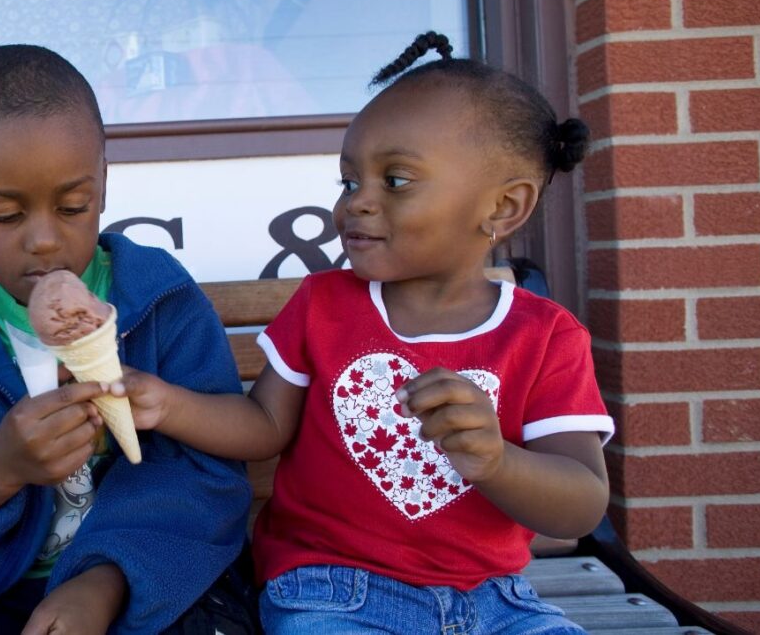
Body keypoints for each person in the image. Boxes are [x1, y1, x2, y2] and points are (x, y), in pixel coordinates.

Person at [115, 31, 615, 634]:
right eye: (349, 182)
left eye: (395, 181)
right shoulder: (325, 305)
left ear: (503, 207)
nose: (356, 203)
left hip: (495, 601)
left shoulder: (545, 336)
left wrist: (497, 460)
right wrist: (167, 404)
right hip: (331, 591)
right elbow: (264, 425)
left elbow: (581, 504)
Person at [0, 44, 254, 634]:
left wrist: (104, 580)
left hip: (151, 577)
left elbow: (208, 476)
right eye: (6, 215)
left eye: (72, 207)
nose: (44, 240)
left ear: (103, 185)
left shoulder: (160, 301)